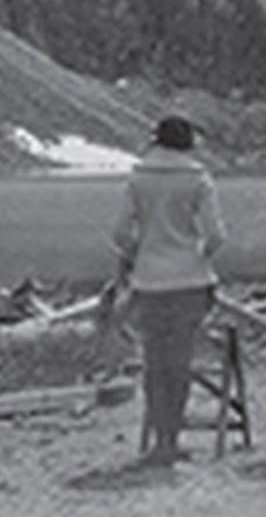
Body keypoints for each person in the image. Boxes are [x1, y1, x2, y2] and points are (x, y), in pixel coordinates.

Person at [111, 114, 228, 465]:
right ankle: (171, 440)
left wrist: (139, 254)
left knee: (154, 363)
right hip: (189, 281)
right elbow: (217, 235)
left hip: (149, 281)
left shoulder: (138, 177)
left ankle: (159, 438)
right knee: (179, 363)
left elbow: (120, 233)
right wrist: (199, 257)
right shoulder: (197, 178)